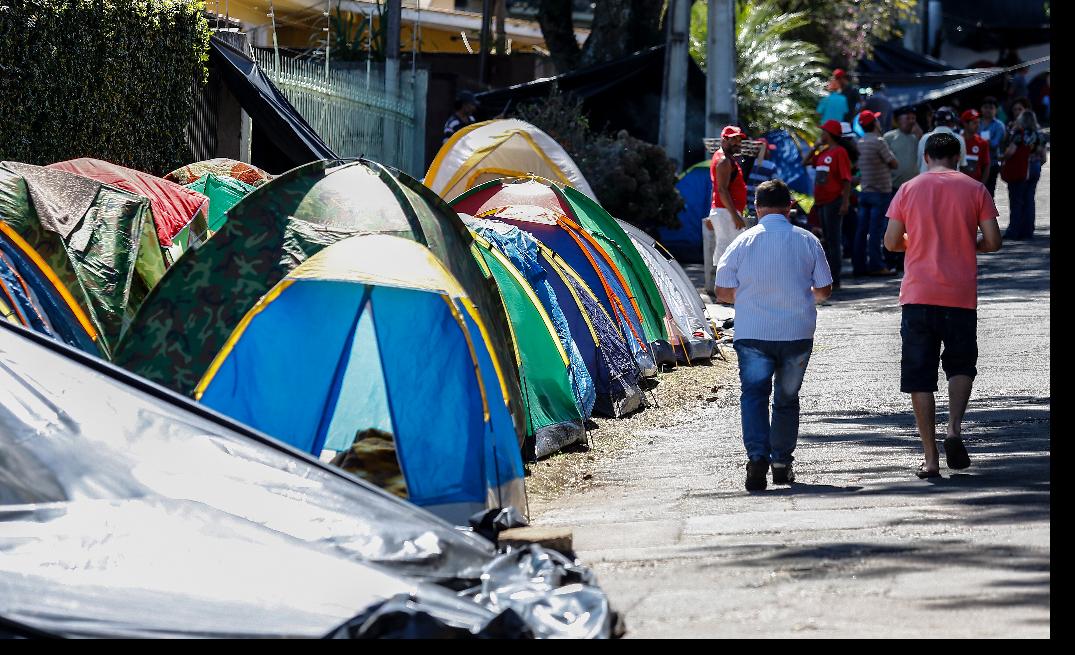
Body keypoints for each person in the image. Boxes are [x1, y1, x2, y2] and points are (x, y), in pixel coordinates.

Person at [883, 132, 1002, 479]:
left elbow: (891, 242)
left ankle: (931, 458)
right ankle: (953, 430)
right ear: (959, 156)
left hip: (919, 294)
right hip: (960, 294)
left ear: (925, 156)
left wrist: (918, 241)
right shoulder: (975, 188)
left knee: (920, 376)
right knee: (961, 365)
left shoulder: (908, 189)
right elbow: (994, 241)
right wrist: (964, 244)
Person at [714, 179, 832, 491]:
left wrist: (752, 298)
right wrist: (800, 297)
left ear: (756, 207)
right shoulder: (807, 240)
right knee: (786, 398)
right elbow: (824, 289)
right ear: (790, 206)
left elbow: (722, 290)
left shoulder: (741, 242)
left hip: (753, 333)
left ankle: (756, 458)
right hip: (796, 333)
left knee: (754, 395)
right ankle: (781, 462)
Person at [804, 120, 852, 290]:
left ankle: (835, 280)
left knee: (833, 240)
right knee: (825, 240)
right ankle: (827, 278)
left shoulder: (840, 152)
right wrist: (814, 147)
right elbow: (805, 162)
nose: (820, 135)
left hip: (834, 201)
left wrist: (845, 201)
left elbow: (846, 179)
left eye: (823, 132)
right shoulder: (823, 153)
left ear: (830, 134)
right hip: (821, 202)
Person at [854, 110, 899, 277]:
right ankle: (877, 265)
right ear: (874, 124)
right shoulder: (879, 141)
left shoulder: (860, 142)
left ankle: (859, 266)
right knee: (876, 231)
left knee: (861, 231)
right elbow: (893, 163)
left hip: (865, 192)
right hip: (880, 193)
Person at [704, 125, 749, 293]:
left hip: (723, 211)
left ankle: (725, 291)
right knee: (730, 252)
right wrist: (734, 215)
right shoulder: (724, 160)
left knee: (727, 250)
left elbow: (716, 189)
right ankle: (724, 292)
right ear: (724, 140)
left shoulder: (724, 157)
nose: (738, 142)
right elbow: (721, 190)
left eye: (739, 139)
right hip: (726, 212)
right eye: (733, 139)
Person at [1001, 110, 1048, 240]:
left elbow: (1011, 152)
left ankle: (1014, 231)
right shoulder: (1040, 135)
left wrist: (1002, 158)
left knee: (1016, 200)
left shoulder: (1019, 135)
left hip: (1021, 168)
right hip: (1035, 167)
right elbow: (1044, 157)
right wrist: (1036, 164)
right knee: (1029, 200)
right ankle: (1028, 231)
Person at [917, 107, 967, 174]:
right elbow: (962, 164)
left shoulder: (924, 138)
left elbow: (919, 163)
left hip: (927, 181)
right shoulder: (959, 138)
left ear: (935, 122)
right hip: (951, 180)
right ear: (952, 123)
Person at [743, 138, 779, 223]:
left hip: (745, 209)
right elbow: (777, 186)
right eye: (768, 150)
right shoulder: (771, 166)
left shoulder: (746, 164)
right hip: (761, 209)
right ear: (765, 151)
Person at [978, 97, 1007, 196]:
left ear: (996, 110)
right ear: (981, 109)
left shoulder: (999, 125)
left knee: (989, 194)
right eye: (985, 107)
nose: (988, 110)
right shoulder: (977, 123)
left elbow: (995, 144)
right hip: (976, 164)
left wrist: (982, 142)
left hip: (992, 163)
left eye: (991, 108)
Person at [959, 109, 991, 183]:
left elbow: (986, 165)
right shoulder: (955, 141)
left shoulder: (982, 143)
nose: (978, 125)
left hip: (975, 186)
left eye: (978, 122)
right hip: (958, 185)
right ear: (965, 124)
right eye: (974, 123)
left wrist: (981, 185)